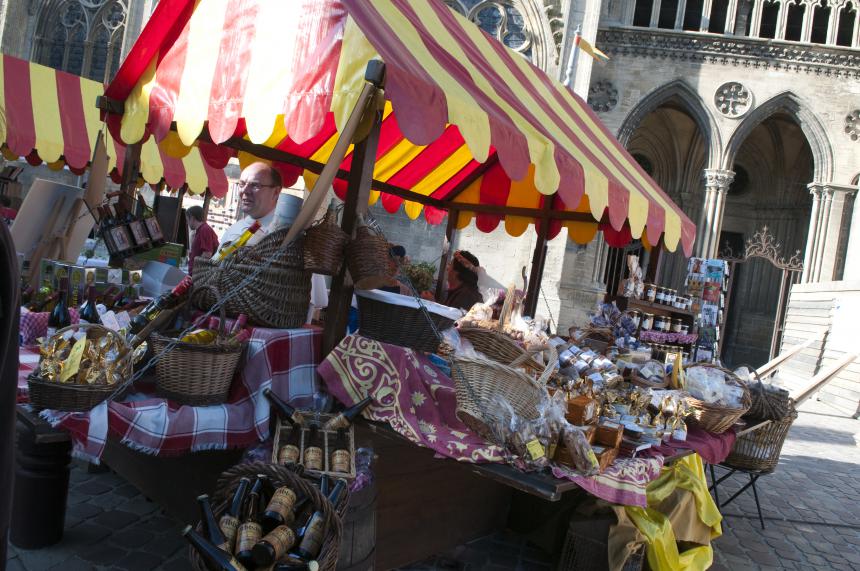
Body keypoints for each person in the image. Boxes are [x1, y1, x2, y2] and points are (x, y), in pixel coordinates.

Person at [219, 162, 283, 248]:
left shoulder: (284, 234)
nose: (245, 191)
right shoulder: (233, 229)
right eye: (241, 184)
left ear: (276, 192)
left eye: (255, 185)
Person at [186, 205, 219, 275]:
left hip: (197, 276)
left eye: (187, 220)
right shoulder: (201, 230)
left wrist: (196, 269)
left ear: (192, 218)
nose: (187, 223)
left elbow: (207, 254)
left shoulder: (205, 230)